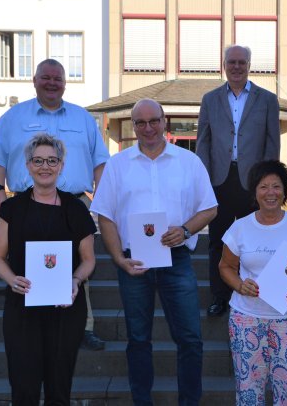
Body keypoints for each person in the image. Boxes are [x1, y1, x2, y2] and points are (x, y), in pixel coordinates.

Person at [90, 99, 218, 406]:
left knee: (190, 339)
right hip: (134, 261)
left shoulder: (189, 161)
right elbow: (104, 215)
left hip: (177, 258)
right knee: (138, 339)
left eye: (154, 121)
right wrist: (118, 258)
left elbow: (210, 207)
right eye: (141, 123)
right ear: (133, 127)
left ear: (165, 122)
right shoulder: (118, 164)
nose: (148, 128)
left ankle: (189, 402)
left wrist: (186, 230)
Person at [0, 58, 110, 351]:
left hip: (73, 204)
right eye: (46, 78)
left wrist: (100, 199)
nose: (52, 83)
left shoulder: (82, 118)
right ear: (35, 80)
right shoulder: (14, 117)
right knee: (23, 261)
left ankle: (83, 325)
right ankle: (26, 320)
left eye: (58, 78)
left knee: (78, 263)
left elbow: (100, 162)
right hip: (27, 203)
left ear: (65, 83)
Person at [0, 133, 97, 405]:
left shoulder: (76, 209)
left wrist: (75, 280)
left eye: (51, 160)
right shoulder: (12, 209)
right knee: (23, 388)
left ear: (61, 165)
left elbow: (89, 260)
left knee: (59, 389)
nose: (44, 167)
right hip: (22, 308)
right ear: (28, 165)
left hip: (65, 309)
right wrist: (12, 280)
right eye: (38, 160)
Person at [218, 160, 287, 406]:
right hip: (247, 319)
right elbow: (225, 266)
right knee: (248, 391)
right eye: (264, 187)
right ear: (254, 191)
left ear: (285, 191)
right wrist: (240, 284)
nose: (270, 193)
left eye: (276, 186)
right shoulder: (240, 228)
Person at [196, 44, 280, 317]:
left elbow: (271, 143)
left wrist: (267, 182)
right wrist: (203, 180)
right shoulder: (210, 100)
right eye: (231, 62)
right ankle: (219, 297)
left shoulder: (267, 99)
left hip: (252, 182)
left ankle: (256, 292)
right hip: (219, 179)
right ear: (223, 64)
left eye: (241, 62)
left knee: (254, 240)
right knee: (218, 241)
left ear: (249, 64)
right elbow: (203, 142)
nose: (236, 67)